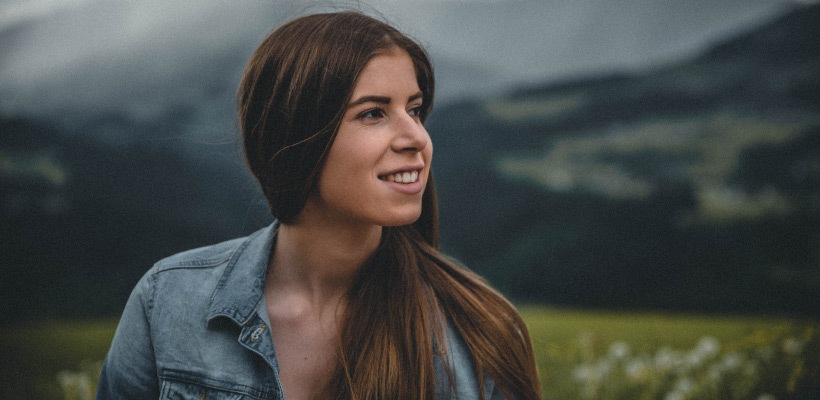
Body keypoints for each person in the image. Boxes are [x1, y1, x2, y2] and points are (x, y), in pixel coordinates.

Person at [97, 11, 541, 400]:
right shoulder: (169, 301)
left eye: (416, 109)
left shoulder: (479, 331)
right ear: (294, 140)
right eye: (373, 113)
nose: (416, 139)